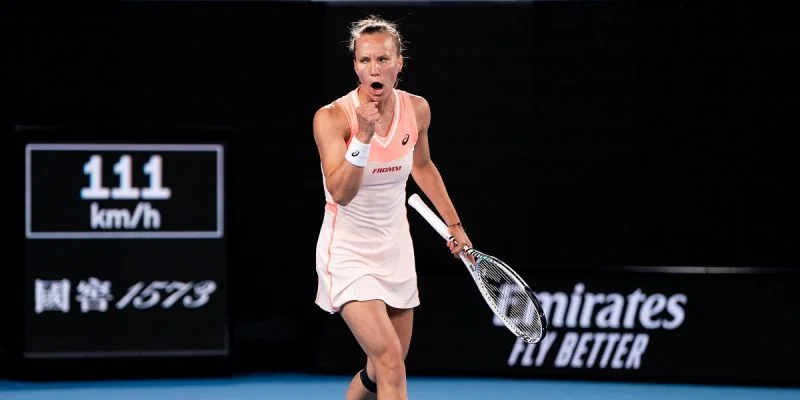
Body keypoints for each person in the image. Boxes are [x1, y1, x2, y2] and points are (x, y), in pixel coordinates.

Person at [313, 16, 472, 400]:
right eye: (365, 60)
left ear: (399, 63)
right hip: (348, 253)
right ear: (355, 66)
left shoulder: (416, 110)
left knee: (383, 366)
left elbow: (422, 165)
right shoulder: (331, 118)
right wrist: (362, 138)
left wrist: (455, 225)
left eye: (383, 59)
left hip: (395, 249)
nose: (374, 69)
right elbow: (341, 193)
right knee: (389, 362)